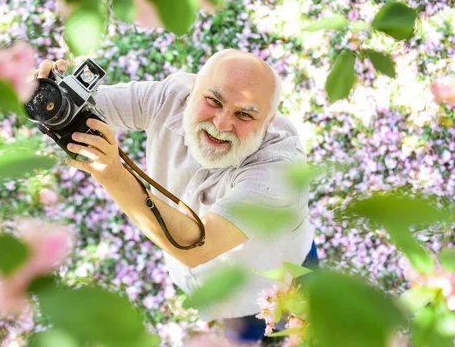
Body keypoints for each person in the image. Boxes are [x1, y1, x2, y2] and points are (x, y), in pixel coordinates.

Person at [33, 49, 317, 344]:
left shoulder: (281, 172)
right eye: (213, 101)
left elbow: (193, 245)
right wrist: (52, 97)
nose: (221, 124)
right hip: (206, 283)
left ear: (268, 123)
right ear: (193, 90)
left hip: (267, 283)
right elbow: (90, 106)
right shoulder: (172, 96)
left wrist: (113, 175)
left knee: (273, 328)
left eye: (244, 114)